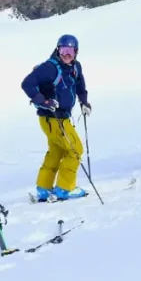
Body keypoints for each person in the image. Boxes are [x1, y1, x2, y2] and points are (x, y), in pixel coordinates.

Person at [21, 34, 92, 201]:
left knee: (57, 151)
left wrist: (84, 102)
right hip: (53, 118)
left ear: (76, 52)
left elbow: (80, 85)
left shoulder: (75, 67)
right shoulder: (49, 68)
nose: (66, 54)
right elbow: (27, 84)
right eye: (63, 50)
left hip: (57, 119)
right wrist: (43, 101)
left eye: (70, 51)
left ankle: (44, 188)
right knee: (75, 150)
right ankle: (64, 189)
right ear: (57, 49)